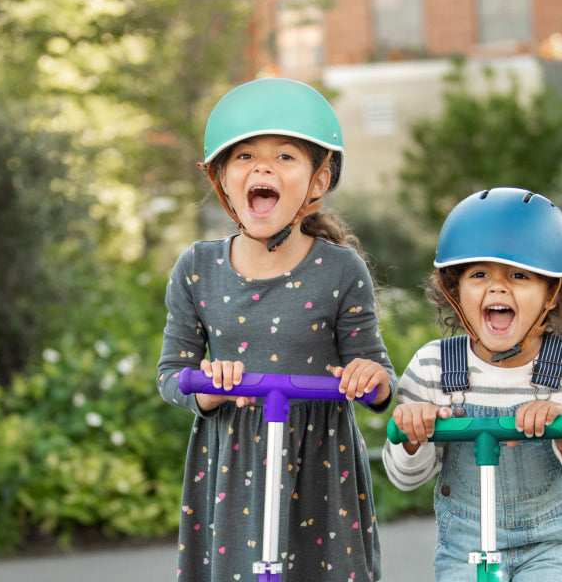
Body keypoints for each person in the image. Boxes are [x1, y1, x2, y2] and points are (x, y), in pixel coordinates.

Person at [157, 77, 396, 582]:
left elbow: (379, 379)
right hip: (233, 469)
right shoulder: (198, 267)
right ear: (221, 179)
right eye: (244, 157)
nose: (262, 167)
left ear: (318, 181)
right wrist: (206, 389)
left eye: (285, 157)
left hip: (321, 465)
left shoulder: (341, 270)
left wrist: (367, 378)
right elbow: (171, 373)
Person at [382, 187, 562, 581]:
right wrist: (412, 435)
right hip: (465, 546)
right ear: (453, 290)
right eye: (479, 275)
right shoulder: (433, 366)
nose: (497, 288)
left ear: (552, 293)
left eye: (519, 275)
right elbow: (403, 478)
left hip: (554, 545)